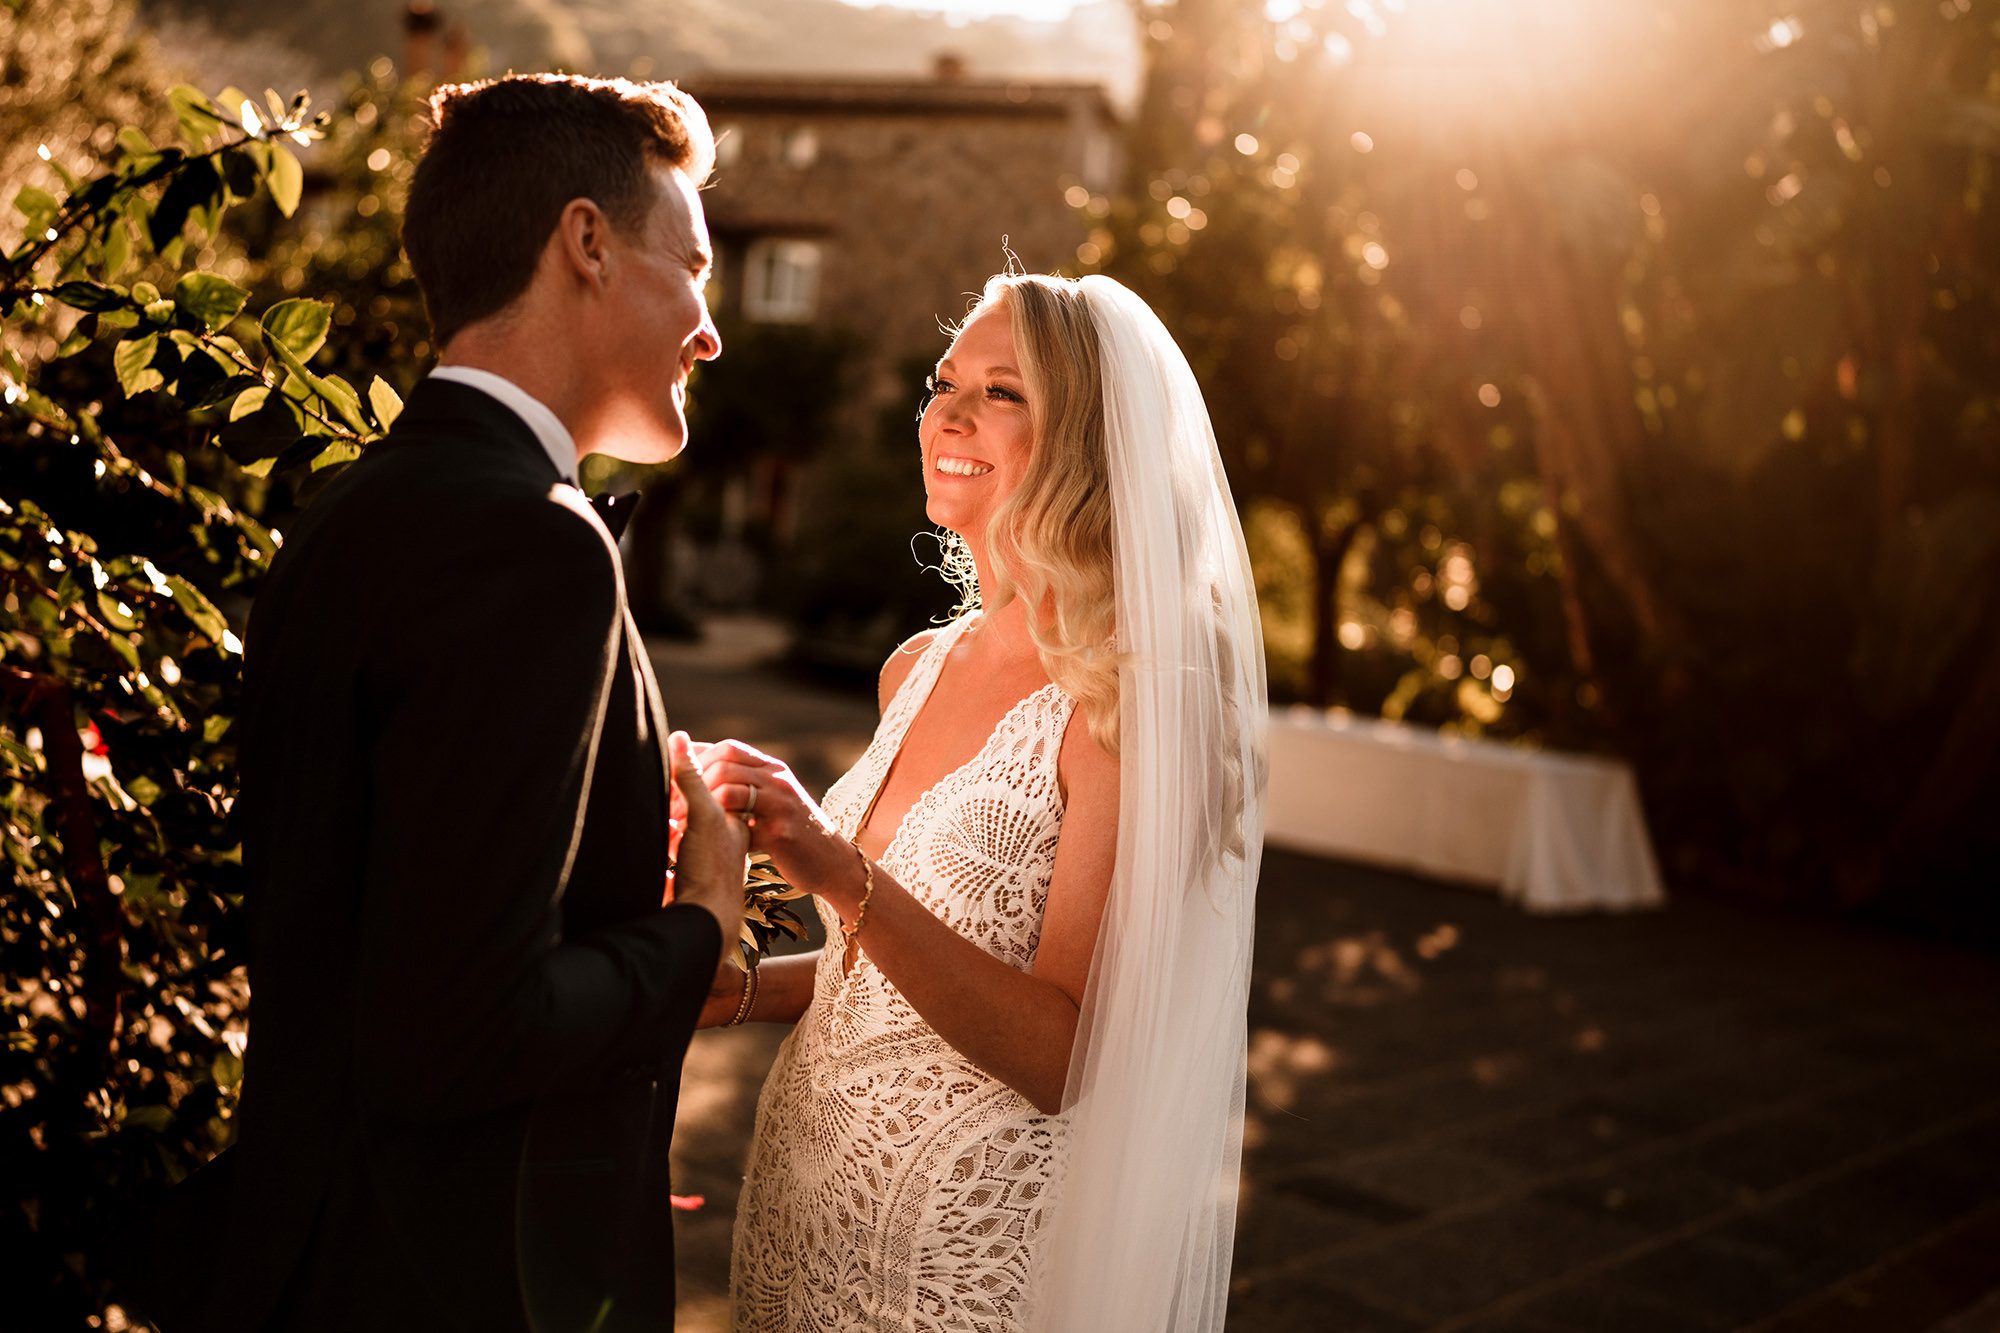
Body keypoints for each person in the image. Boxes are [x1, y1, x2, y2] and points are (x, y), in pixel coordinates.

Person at [121, 74, 748, 1333]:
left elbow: (392, 904)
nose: (710, 331)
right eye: (691, 265)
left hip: (306, 1256)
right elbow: (455, 1030)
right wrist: (698, 924)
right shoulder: (534, 544)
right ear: (584, 243)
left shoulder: (354, 512)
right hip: (446, 1284)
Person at [701, 272, 1267, 1332]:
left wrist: (829, 861)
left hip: (955, 1256)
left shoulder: (1127, 699)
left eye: (1002, 392)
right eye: (943, 380)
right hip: (802, 1201)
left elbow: (1060, 1055)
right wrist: (716, 990)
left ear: (1088, 444)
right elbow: (869, 971)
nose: (947, 414)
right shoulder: (913, 666)